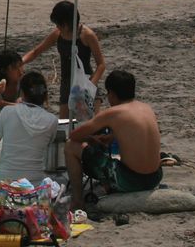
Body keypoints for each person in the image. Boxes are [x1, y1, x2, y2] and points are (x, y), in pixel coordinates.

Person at [65, 71, 162, 210]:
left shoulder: (113, 113)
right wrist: (112, 136)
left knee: (70, 146)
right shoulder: (146, 108)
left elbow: (74, 136)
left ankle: (78, 201)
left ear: (112, 93)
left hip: (131, 181)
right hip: (155, 178)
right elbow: (136, 132)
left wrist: (91, 139)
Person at [23, 0, 106, 119]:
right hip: (67, 84)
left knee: (89, 124)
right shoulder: (58, 34)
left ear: (66, 24)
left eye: (58, 24)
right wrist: (21, 61)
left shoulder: (87, 35)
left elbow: (101, 64)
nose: (56, 27)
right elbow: (36, 51)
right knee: (65, 124)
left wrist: (90, 85)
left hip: (86, 82)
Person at [0, 70, 57, 183]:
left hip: (6, 182)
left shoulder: (7, 112)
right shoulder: (52, 121)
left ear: (22, 93)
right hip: (35, 184)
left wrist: (2, 171)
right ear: (45, 95)